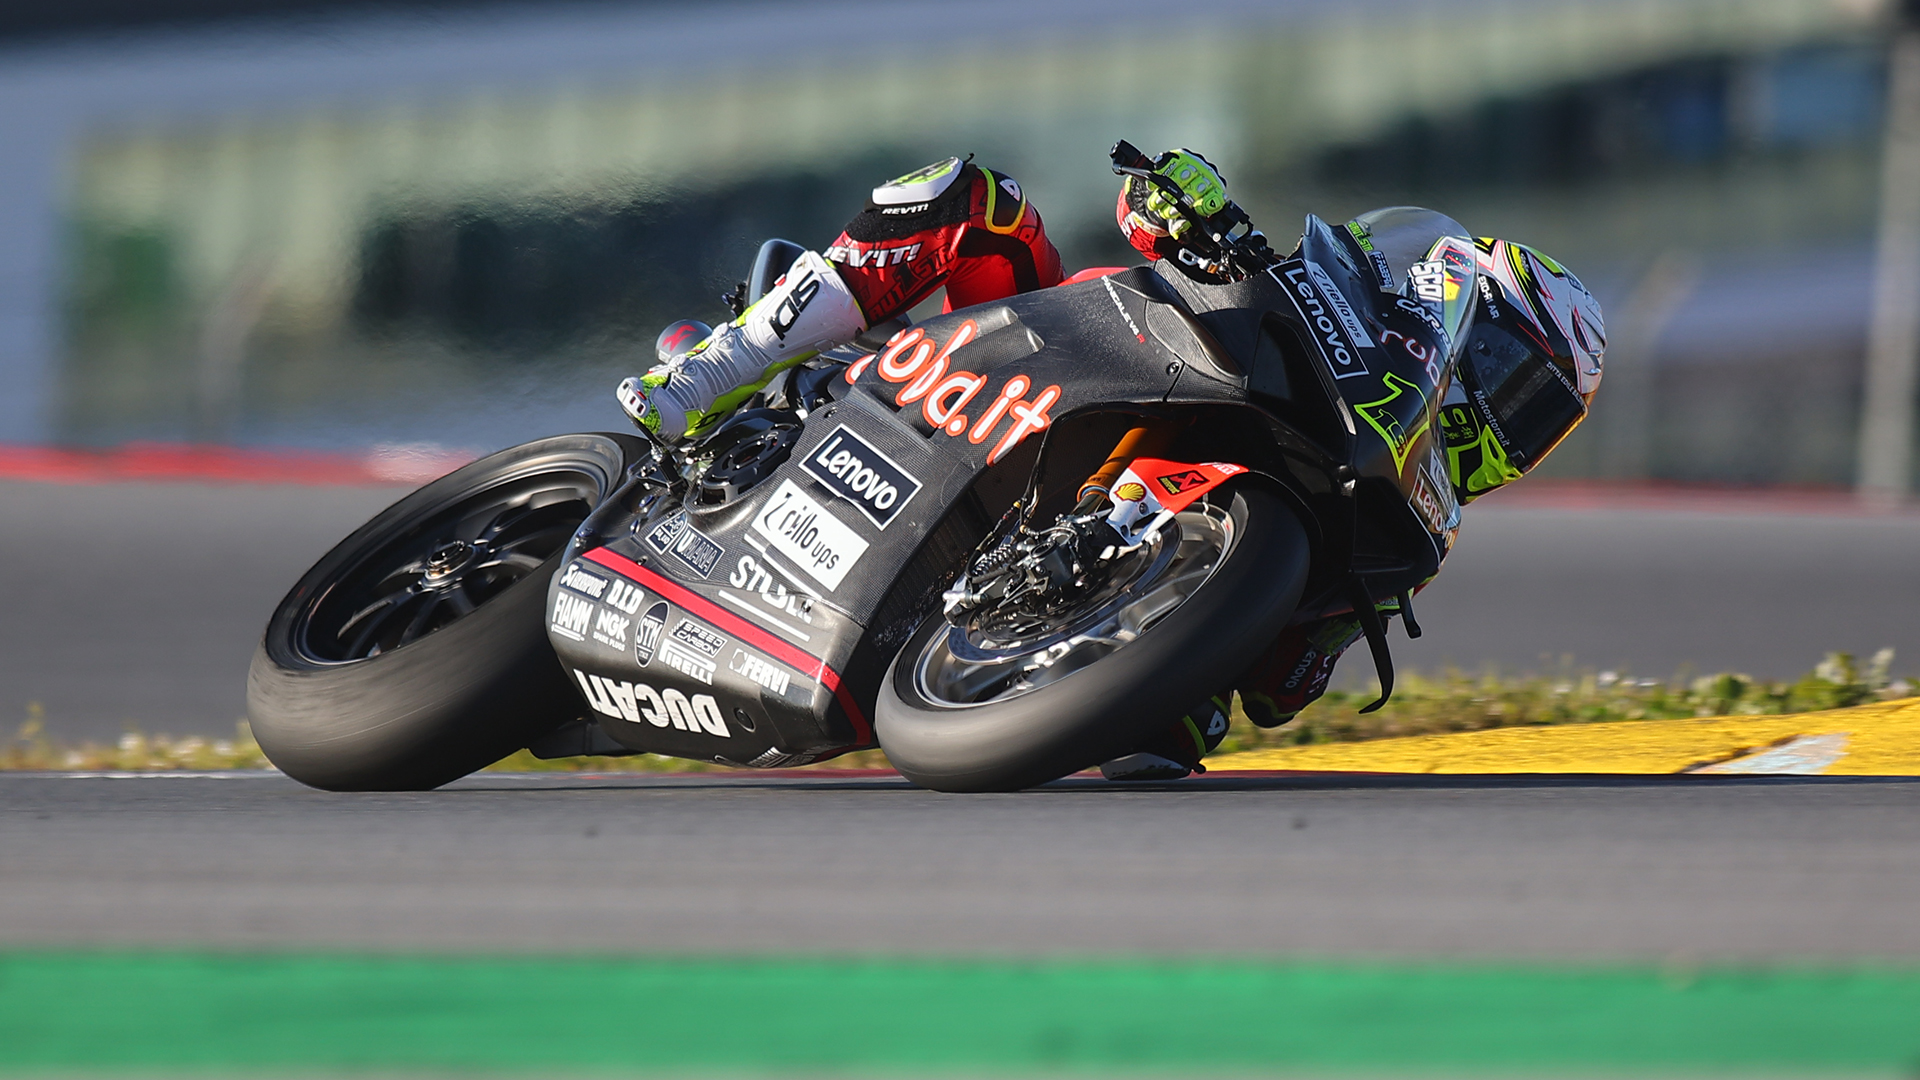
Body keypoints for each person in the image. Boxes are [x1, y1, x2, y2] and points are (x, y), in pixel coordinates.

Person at [616, 148, 1606, 781]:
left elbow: (1282, 688)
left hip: (1033, 576)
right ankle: (722, 369)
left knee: (1166, 752)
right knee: (975, 197)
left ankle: (1015, 632)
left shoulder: (1413, 521)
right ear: (1457, 305)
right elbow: (1142, 208)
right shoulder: (1322, 291)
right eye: (1510, 378)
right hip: (1006, 361)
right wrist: (1187, 203)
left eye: (1535, 420)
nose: (1505, 422)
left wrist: (1280, 636)